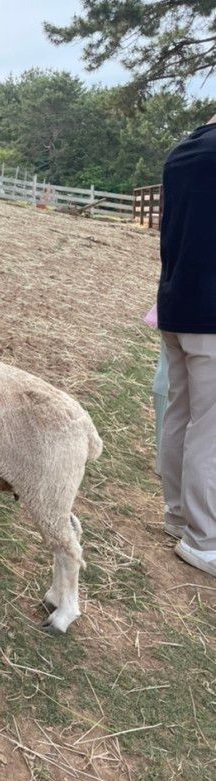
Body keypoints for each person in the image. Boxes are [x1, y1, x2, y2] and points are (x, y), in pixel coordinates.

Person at [157, 111, 216, 577]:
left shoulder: (180, 152)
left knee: (180, 412)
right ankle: (205, 538)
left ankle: (177, 514)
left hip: (176, 302)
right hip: (212, 312)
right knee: (210, 428)